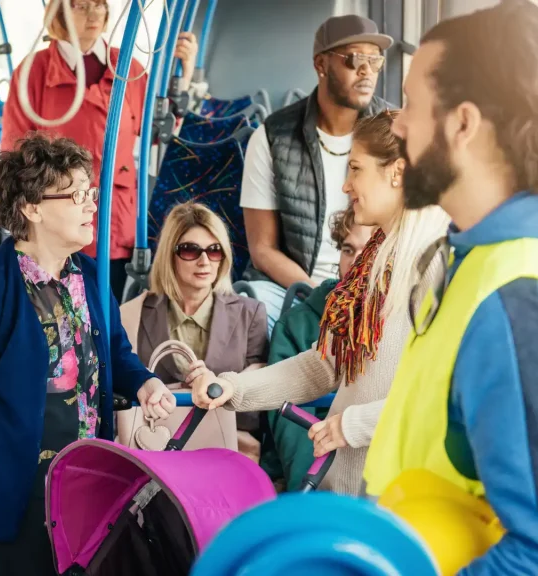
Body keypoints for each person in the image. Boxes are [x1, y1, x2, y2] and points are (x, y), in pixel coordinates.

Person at [362, 2, 538, 574]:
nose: (396, 124)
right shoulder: (480, 258)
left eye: (413, 105)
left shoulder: (522, 295)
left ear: (463, 124)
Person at [0, 134, 176, 575]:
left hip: (87, 489)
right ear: (32, 208)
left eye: (91, 193)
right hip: (14, 501)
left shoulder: (91, 277)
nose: (91, 206)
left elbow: (116, 353)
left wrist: (146, 383)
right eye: (78, 194)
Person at [189, 110, 450, 495]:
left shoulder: (436, 261)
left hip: (398, 499)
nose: (346, 186)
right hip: (346, 489)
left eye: (356, 169)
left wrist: (350, 425)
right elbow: (323, 366)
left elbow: (442, 398)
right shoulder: (373, 263)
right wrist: (235, 389)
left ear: (396, 172)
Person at [1, 0, 198, 300]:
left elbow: (155, 133)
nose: (94, 14)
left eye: (100, 4)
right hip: (55, 222)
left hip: (113, 217)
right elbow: (16, 154)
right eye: (81, 5)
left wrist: (183, 77)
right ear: (60, 12)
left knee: (110, 312)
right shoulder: (33, 73)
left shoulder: (128, 68)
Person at [239, 15, 391, 334]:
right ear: (321, 64)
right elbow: (262, 249)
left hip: (376, 280)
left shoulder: (393, 130)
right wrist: (318, 294)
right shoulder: (272, 137)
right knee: (247, 310)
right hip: (296, 287)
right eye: (354, 59)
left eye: (374, 61)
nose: (366, 71)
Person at [260, 204, 373, 490]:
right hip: (312, 474)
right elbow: (287, 419)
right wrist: (313, 487)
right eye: (348, 250)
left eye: (367, 250)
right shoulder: (296, 324)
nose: (356, 261)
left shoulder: (401, 319)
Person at [120, 202, 268, 383]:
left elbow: (256, 397)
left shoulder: (251, 314)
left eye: (214, 250)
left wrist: (219, 386)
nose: (204, 261)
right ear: (169, 256)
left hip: (226, 411)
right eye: (190, 250)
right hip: (154, 412)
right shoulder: (135, 314)